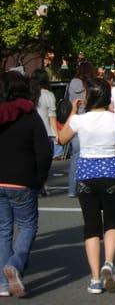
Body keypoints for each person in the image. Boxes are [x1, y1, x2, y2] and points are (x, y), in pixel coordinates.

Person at [58, 78, 115, 295]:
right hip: (111, 173)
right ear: (108, 97)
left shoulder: (79, 120)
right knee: (111, 221)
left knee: (91, 226)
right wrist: (112, 151)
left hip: (86, 174)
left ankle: (95, 279)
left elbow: (62, 139)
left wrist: (73, 111)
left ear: (89, 97)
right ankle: (108, 263)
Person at [0, 71, 52, 298]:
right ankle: (16, 263)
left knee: (3, 231)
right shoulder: (31, 115)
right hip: (23, 181)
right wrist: (40, 178)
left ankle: (2, 285)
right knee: (28, 225)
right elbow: (44, 152)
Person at [67, 61, 96, 197]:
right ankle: (88, 187)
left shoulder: (72, 83)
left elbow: (67, 99)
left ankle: (72, 190)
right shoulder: (92, 85)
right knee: (92, 155)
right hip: (89, 122)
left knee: (75, 156)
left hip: (75, 120)